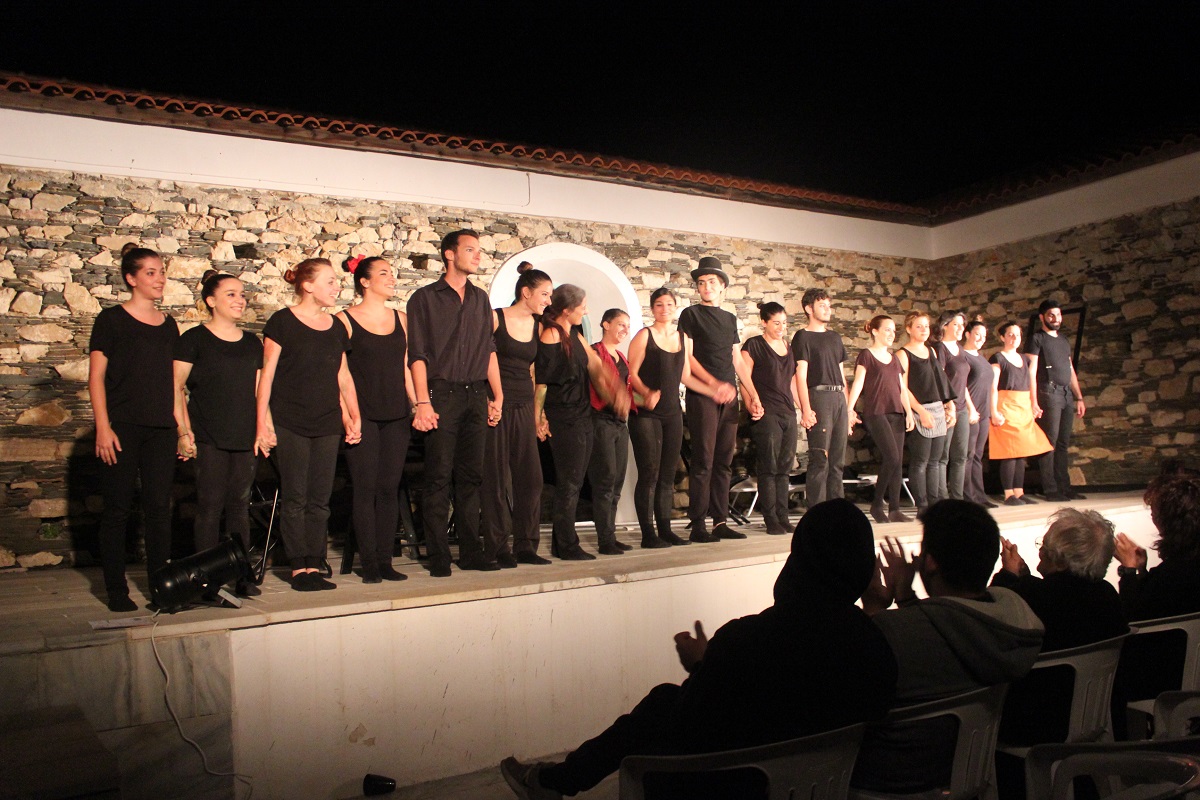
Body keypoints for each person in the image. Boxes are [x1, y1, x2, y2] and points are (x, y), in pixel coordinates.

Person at [500, 499, 899, 800]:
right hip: (826, 784)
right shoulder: (874, 649)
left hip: (739, 786)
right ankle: (553, 780)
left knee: (663, 704)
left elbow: (693, 728)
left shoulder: (746, 640)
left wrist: (704, 666)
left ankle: (555, 781)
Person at [855, 500, 1044, 794]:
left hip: (891, 783)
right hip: (972, 775)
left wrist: (874, 608)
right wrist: (906, 599)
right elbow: (950, 626)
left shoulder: (893, 633)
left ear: (931, 562)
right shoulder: (1014, 622)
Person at [256, 257, 362, 592]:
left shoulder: (336, 327)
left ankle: (315, 562)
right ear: (307, 285)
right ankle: (298, 565)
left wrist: (353, 415)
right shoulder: (282, 322)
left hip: (327, 421)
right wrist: (262, 423)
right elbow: (266, 376)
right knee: (296, 496)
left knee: (320, 498)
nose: (336, 287)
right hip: (291, 420)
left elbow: (343, 376)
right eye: (329, 281)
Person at [407, 230, 505, 578]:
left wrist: (497, 395)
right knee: (438, 476)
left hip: (476, 393)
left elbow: (488, 349)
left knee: (471, 477)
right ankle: (438, 555)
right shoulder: (424, 298)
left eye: (479, 250)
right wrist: (422, 401)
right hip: (441, 393)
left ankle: (470, 551)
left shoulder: (480, 299)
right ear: (449, 254)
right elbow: (417, 354)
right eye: (470, 249)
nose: (478, 256)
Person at [989, 508, 1127, 753]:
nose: (1041, 552)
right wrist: (1023, 578)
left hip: (1033, 722)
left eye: (1046, 547)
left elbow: (990, 616)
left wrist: (1008, 577)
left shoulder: (1029, 598)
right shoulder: (1108, 596)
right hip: (1094, 719)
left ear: (1062, 560)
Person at [89, 243, 180, 612]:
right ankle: (116, 590)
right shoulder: (111, 320)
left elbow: (174, 383)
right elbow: (96, 378)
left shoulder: (169, 324)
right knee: (117, 509)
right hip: (123, 426)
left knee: (159, 509)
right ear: (131, 278)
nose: (159, 279)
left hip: (162, 429)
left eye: (161, 272)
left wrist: (181, 428)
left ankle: (162, 589)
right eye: (150, 273)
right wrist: (103, 426)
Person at [173, 269, 263, 597]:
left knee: (240, 505)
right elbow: (175, 386)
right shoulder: (194, 339)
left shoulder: (252, 343)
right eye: (231, 294)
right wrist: (183, 432)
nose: (240, 300)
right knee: (210, 505)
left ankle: (242, 576)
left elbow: (260, 392)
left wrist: (264, 428)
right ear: (211, 301)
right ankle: (206, 580)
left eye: (242, 294)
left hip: (244, 435)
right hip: (208, 434)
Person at [536, 285, 628, 560]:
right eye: (583, 306)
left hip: (582, 415)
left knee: (576, 483)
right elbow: (541, 382)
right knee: (569, 483)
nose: (586, 311)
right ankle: (566, 545)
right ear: (567, 310)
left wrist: (616, 394)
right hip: (563, 417)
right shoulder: (551, 334)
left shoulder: (574, 335)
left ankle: (564, 542)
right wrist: (538, 417)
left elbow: (596, 366)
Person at [627, 288, 724, 548]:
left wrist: (713, 391)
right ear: (652, 308)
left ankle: (666, 530)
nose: (665, 309)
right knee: (649, 473)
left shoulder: (683, 338)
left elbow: (686, 376)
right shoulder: (644, 336)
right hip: (646, 414)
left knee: (668, 475)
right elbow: (631, 373)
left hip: (672, 413)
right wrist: (646, 392)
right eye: (659, 304)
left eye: (669, 304)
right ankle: (648, 534)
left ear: (675, 307)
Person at [337, 256, 414, 583]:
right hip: (363, 416)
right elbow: (338, 374)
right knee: (365, 488)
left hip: (396, 414)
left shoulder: (402, 319)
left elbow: (408, 367)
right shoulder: (344, 320)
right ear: (364, 281)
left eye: (392, 273)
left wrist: (419, 404)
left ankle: (385, 560)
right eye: (384, 273)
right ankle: (368, 562)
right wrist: (348, 416)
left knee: (388, 488)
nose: (391, 278)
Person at [1112, 465, 1200, 738]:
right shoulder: (1175, 572)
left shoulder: (1169, 578)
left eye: (1155, 514)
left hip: (1168, 680)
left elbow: (1132, 620)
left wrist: (1129, 572)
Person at [677, 256, 757, 542]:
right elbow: (687, 358)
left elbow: (737, 359)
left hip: (730, 398)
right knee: (704, 461)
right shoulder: (691, 315)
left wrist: (753, 394)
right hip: (703, 396)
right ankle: (698, 524)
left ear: (722, 286)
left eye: (712, 282)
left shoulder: (729, 318)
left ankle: (720, 521)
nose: (706, 287)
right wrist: (712, 387)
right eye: (701, 283)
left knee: (724, 461)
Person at [482, 262, 554, 567]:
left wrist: (539, 414)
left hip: (524, 406)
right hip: (496, 405)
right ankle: (497, 547)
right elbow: (481, 358)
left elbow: (535, 371)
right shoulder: (495, 318)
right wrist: (489, 400)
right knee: (497, 479)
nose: (549, 300)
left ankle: (526, 545)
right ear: (526, 292)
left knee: (531, 478)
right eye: (544, 294)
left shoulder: (538, 327)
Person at [847, 314, 914, 524]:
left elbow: (901, 387)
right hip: (876, 412)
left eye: (894, 330)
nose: (892, 334)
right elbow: (858, 383)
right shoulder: (866, 355)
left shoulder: (894, 359)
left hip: (896, 412)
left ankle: (895, 509)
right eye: (887, 329)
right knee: (892, 457)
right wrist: (849, 409)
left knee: (896, 461)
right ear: (875, 331)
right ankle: (877, 504)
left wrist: (909, 411)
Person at [792, 288, 853, 507]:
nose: (828, 309)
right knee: (820, 459)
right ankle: (816, 511)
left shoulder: (834, 337)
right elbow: (800, 375)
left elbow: (841, 374)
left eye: (829, 305)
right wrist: (806, 409)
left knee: (838, 462)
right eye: (822, 305)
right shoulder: (803, 337)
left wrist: (848, 409)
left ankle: (837, 510)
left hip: (838, 398)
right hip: (819, 396)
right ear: (809, 309)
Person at [1114, 466, 1200, 621]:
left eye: (1154, 513)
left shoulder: (1173, 574)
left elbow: (1134, 617)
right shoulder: (1179, 567)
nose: (1152, 517)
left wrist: (1129, 570)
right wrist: (1142, 572)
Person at [742, 302, 798, 535]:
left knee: (785, 467)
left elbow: (791, 381)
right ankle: (770, 518)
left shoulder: (788, 346)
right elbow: (744, 379)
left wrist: (803, 409)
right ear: (764, 322)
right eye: (776, 323)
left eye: (784, 323)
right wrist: (751, 405)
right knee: (769, 467)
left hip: (788, 412)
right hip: (766, 412)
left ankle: (783, 516)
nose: (781, 327)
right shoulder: (754, 345)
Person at [1026, 299, 1087, 501]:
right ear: (1042, 317)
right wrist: (1033, 400)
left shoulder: (1063, 340)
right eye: (1051, 315)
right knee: (1049, 442)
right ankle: (1050, 489)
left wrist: (1079, 397)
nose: (1056, 318)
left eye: (1058, 314)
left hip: (1066, 394)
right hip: (1048, 392)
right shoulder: (1037, 339)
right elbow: (1031, 371)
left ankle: (1064, 487)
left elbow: (1070, 370)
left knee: (1063, 443)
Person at [587, 309, 636, 555]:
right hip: (601, 422)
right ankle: (604, 539)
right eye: (620, 324)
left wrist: (645, 398)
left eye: (627, 325)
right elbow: (599, 386)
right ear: (606, 324)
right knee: (605, 481)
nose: (625, 329)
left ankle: (611, 535)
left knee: (616, 482)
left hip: (619, 424)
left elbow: (627, 393)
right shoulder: (594, 352)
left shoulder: (621, 357)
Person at [897, 311, 956, 512]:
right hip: (919, 409)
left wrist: (949, 404)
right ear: (908, 329)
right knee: (920, 461)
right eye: (918, 326)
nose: (924, 330)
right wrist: (920, 411)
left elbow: (939, 380)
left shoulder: (931, 351)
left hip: (937, 408)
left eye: (926, 326)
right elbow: (903, 388)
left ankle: (935, 502)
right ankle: (922, 505)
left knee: (935, 461)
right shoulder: (903, 354)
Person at [988, 322, 1052, 506]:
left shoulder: (1025, 359)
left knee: (1021, 452)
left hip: (1022, 406)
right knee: (1009, 452)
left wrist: (1034, 404)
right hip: (1006, 405)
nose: (1014, 338)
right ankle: (1009, 494)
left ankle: (1019, 491)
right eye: (1010, 334)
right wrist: (994, 411)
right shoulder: (997, 358)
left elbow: (1031, 382)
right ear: (1002, 337)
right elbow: (993, 387)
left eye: (1017, 334)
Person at [930, 311, 977, 501]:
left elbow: (963, 383)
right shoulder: (940, 348)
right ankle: (942, 499)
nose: (960, 328)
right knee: (943, 456)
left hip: (961, 407)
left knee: (961, 455)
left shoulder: (961, 350)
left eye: (962, 325)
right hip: (946, 408)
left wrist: (971, 408)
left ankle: (957, 498)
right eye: (956, 324)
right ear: (945, 326)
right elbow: (939, 379)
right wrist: (946, 406)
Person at [962, 319, 996, 507]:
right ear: (967, 334)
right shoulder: (963, 356)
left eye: (984, 336)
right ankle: (968, 496)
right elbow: (961, 385)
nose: (981, 339)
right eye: (977, 334)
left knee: (977, 455)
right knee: (968, 455)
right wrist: (970, 409)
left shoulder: (981, 358)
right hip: (970, 412)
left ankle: (979, 496)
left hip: (984, 412)